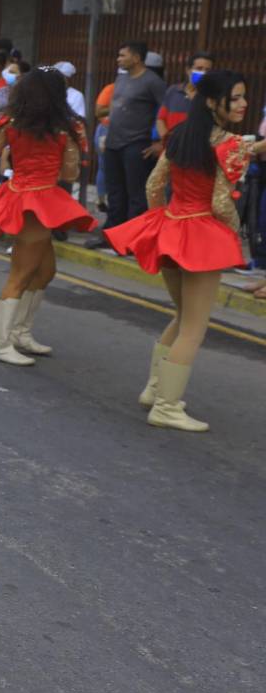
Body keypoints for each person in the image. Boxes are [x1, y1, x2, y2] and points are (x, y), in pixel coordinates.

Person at [106, 71, 266, 432]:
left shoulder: (179, 135)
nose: (243, 104)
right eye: (235, 97)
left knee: (181, 317)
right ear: (211, 101)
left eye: (244, 97)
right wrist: (229, 236)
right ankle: (166, 406)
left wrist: (160, 223)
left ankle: (155, 389)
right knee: (194, 327)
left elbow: (153, 185)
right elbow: (221, 203)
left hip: (171, 226)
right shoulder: (229, 143)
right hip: (201, 235)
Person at [0, 68, 95, 364]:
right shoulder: (68, 128)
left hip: (18, 195)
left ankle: (20, 333)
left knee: (45, 271)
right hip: (41, 200)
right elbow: (70, 173)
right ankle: (0, 343)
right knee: (22, 273)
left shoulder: (12, 122)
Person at [88, 41, 166, 246]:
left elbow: (165, 111)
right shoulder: (121, 79)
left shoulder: (153, 82)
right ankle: (112, 235)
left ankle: (133, 239)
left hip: (137, 143)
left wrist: (160, 142)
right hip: (113, 143)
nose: (118, 59)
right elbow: (115, 108)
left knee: (136, 194)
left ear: (137, 58)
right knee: (115, 192)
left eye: (123, 55)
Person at [155, 51, 215, 145]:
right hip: (170, 146)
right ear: (188, 70)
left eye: (208, 70)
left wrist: (196, 99)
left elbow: (208, 123)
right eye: (199, 68)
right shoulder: (173, 90)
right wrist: (167, 139)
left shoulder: (212, 96)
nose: (203, 73)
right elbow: (161, 119)